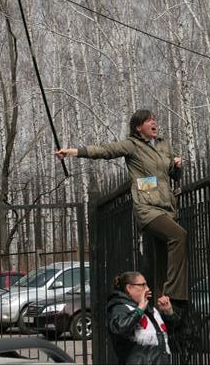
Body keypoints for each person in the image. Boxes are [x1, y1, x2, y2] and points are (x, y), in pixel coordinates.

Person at [55, 110, 188, 308]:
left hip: (167, 207)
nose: (154, 122)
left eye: (154, 119)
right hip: (147, 208)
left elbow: (172, 176)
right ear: (138, 127)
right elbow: (104, 151)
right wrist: (73, 152)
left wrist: (177, 166)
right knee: (179, 236)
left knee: (162, 258)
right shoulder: (132, 145)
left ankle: (162, 305)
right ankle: (174, 294)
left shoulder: (163, 144)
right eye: (149, 120)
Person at [107, 271, 179, 365]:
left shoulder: (148, 309)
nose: (147, 289)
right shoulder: (120, 308)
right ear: (129, 288)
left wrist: (169, 312)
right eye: (143, 285)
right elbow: (120, 329)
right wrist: (140, 309)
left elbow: (169, 335)